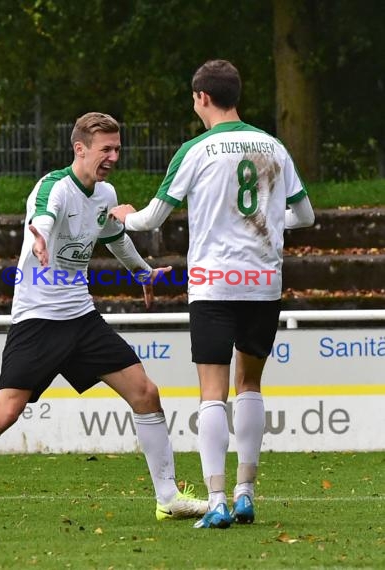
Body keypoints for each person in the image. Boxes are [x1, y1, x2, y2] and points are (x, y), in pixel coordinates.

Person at [0, 112, 207, 523]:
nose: (112, 156)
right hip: (37, 319)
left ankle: (168, 499)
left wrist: (143, 271)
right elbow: (45, 215)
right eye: (105, 149)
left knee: (145, 392)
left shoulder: (105, 194)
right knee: (6, 411)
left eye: (117, 149)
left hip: (81, 317)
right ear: (80, 149)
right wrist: (39, 234)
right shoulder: (53, 186)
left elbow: (115, 238)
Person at [110, 60, 315, 529]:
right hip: (263, 283)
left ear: (201, 97)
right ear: (235, 95)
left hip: (214, 284)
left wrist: (124, 215)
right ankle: (246, 493)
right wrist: (264, 221)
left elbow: (153, 218)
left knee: (212, 393)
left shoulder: (196, 149)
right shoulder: (273, 146)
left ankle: (217, 499)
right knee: (251, 385)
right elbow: (303, 215)